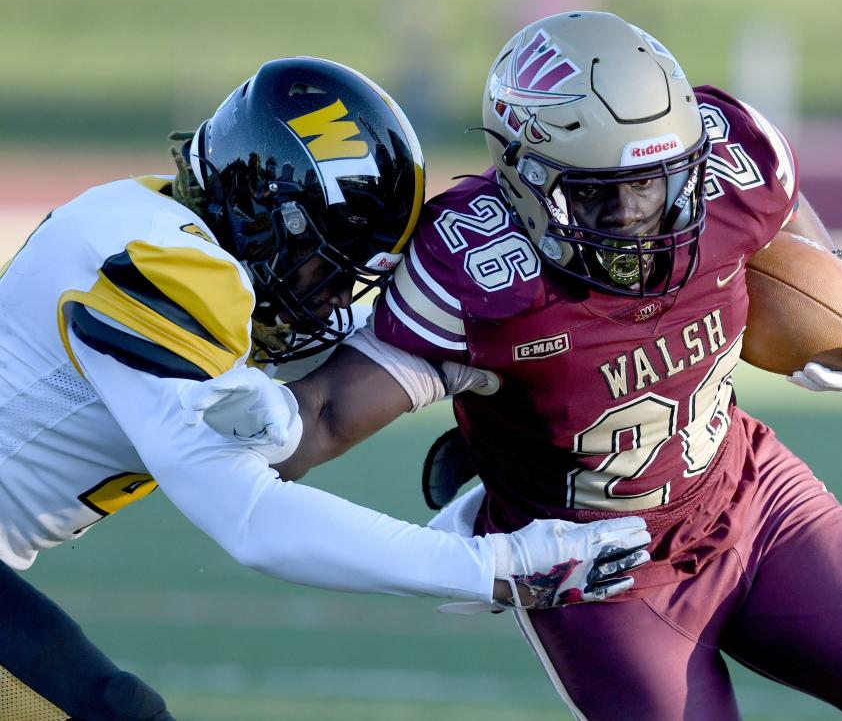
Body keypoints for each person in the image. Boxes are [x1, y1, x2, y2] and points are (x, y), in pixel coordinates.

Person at [198, 14, 842, 718]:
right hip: (599, 570)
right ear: (523, 179)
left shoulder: (731, 165)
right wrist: (197, 424)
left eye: (662, 185)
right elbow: (324, 417)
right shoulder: (479, 273)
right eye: (605, 195)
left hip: (751, 502)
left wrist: (829, 277)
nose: (641, 216)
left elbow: (778, 204)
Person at [0, 55, 653, 721]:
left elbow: (370, 358)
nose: (338, 300)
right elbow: (254, 520)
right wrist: (495, 562)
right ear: (265, 213)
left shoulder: (162, 227)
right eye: (332, 269)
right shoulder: (165, 267)